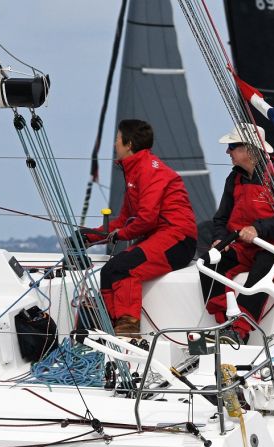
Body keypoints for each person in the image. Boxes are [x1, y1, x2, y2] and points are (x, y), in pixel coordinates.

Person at [81, 119, 197, 335]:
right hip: (160, 238)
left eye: (117, 140)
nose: (114, 144)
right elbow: (124, 219)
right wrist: (89, 237)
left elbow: (146, 219)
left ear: (129, 144)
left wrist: (121, 234)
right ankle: (107, 325)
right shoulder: (135, 171)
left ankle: (128, 329)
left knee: (124, 267)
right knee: (108, 271)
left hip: (177, 240)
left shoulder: (148, 170)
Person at [200, 123, 274, 343]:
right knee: (209, 263)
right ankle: (225, 322)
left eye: (232, 146)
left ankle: (239, 330)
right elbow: (221, 218)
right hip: (243, 244)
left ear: (248, 149)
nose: (227, 151)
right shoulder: (234, 178)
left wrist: (258, 228)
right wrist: (219, 238)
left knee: (263, 268)